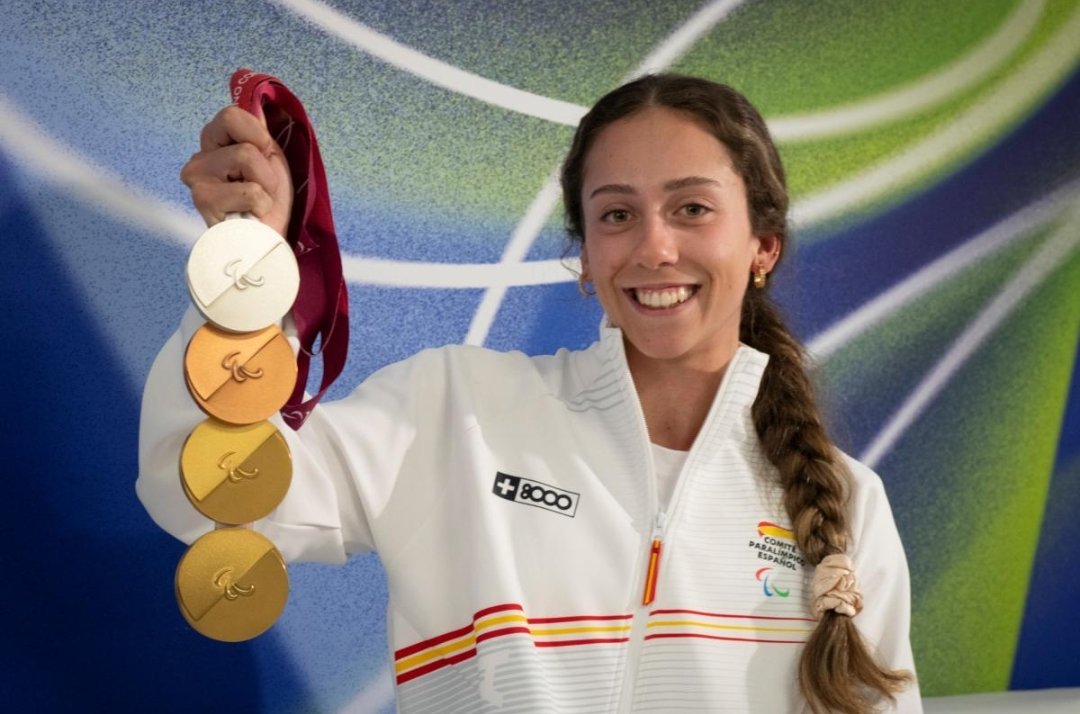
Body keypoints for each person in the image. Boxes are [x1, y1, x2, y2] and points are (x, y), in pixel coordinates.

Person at [139, 74, 921, 713]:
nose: (654, 245)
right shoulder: (456, 411)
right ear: (586, 257)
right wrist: (251, 274)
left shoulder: (851, 507)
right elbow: (208, 496)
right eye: (617, 213)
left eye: (692, 208)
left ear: (762, 247)